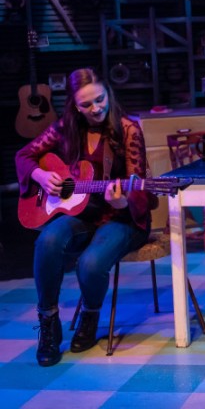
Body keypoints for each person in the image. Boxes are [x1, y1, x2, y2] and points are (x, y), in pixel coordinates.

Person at [15, 67, 157, 367]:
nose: (96, 109)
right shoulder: (67, 126)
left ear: (109, 93)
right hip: (83, 213)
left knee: (91, 263)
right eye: (86, 104)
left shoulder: (128, 129)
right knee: (47, 241)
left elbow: (139, 187)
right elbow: (24, 156)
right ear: (75, 106)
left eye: (100, 100)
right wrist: (40, 175)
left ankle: (90, 317)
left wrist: (122, 201)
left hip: (123, 219)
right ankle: (49, 324)